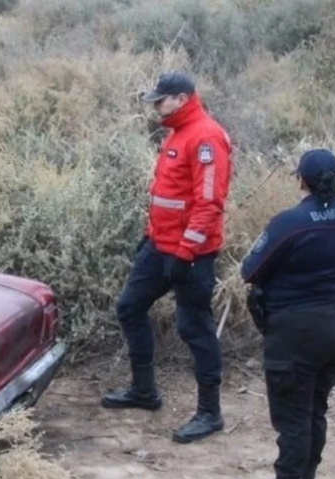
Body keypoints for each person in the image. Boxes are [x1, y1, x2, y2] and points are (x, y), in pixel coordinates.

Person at [101, 71, 233, 445]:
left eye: (161, 100)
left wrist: (186, 252)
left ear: (181, 98)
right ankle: (144, 392)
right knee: (130, 307)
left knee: (195, 328)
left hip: (191, 255)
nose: (156, 107)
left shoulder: (205, 136)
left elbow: (209, 205)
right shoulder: (178, 133)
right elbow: (167, 197)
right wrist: (150, 238)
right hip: (160, 247)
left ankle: (210, 413)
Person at [238, 148, 335, 479]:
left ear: (301, 181)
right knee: (314, 410)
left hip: (298, 328)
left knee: (293, 417)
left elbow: (250, 269)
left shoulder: (290, 223)